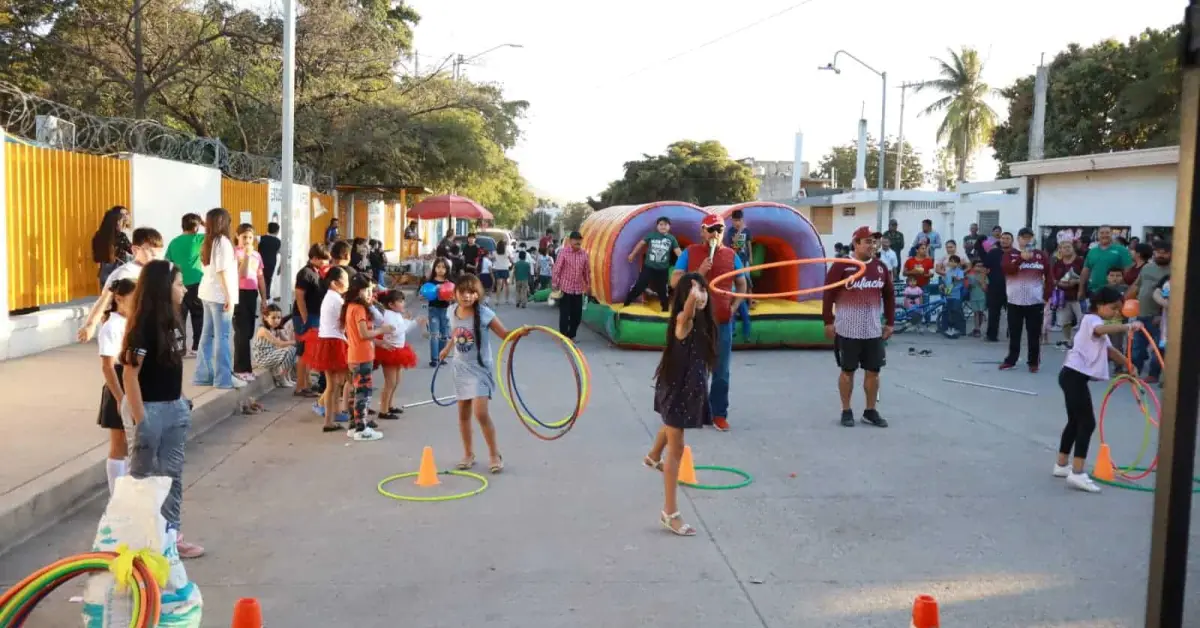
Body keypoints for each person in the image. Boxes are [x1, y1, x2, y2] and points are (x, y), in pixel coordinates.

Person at [120, 260, 205, 558]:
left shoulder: (175, 319)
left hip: (174, 408)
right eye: (179, 284)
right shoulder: (141, 326)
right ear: (162, 287)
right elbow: (129, 374)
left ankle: (170, 537)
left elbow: (174, 365)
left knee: (172, 475)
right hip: (149, 409)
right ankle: (137, 541)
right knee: (143, 477)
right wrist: (141, 418)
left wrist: (182, 400)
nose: (183, 289)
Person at [642, 272, 716, 537]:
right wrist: (691, 302)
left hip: (690, 389)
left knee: (673, 426)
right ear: (684, 298)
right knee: (677, 449)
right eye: (692, 290)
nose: (699, 293)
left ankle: (652, 456)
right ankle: (670, 513)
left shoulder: (706, 327)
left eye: (703, 289)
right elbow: (687, 315)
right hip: (675, 389)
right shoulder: (682, 322)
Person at [1055, 286, 1141, 493]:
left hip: (1072, 376)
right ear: (1100, 306)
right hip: (1073, 376)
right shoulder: (1090, 320)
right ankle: (1077, 473)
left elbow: (1109, 350)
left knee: (1075, 421)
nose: (1115, 313)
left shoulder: (1098, 323)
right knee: (1087, 422)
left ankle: (1061, 464)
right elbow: (1100, 331)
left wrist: (1130, 366)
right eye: (1113, 308)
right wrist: (1127, 327)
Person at [670, 214, 747, 432]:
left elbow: (742, 284)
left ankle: (719, 414)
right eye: (711, 229)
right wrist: (698, 272)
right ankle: (693, 410)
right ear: (702, 231)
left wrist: (733, 308)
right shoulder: (690, 253)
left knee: (721, 371)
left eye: (719, 229)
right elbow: (675, 281)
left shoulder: (732, 255)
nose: (715, 233)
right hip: (696, 321)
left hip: (722, 322)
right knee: (694, 369)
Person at [438, 274, 514, 474]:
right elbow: (457, 335)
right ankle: (468, 454)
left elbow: (505, 335)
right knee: (463, 413)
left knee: (480, 413)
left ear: (477, 294)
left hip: (480, 368)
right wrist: (447, 349)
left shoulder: (484, 313)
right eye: (463, 292)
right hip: (460, 368)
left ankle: (494, 455)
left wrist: (520, 333)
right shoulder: (451, 311)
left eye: (471, 292)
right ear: (455, 293)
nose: (467, 296)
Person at [823, 226, 894, 427]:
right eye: (868, 241)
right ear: (856, 243)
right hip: (847, 329)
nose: (872, 245)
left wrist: (889, 322)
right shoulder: (841, 267)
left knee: (874, 371)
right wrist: (827, 321)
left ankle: (870, 411)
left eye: (874, 242)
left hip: (873, 330)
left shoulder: (881, 267)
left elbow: (889, 295)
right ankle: (846, 410)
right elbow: (828, 294)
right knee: (848, 371)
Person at [78, 227, 165, 343]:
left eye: (158, 251)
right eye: (149, 250)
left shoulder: (156, 271)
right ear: (135, 250)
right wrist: (90, 324)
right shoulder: (126, 272)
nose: (155, 254)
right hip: (126, 330)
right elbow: (105, 299)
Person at [194, 208, 244, 389]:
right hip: (220, 295)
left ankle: (202, 375)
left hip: (207, 293)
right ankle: (223, 378)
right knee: (222, 337)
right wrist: (229, 297)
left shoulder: (208, 241)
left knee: (207, 336)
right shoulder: (222, 242)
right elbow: (222, 271)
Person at [299, 265, 352, 432]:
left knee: (333, 384)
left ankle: (330, 419)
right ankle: (333, 418)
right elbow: (345, 323)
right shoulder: (336, 299)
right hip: (334, 342)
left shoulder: (331, 297)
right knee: (338, 383)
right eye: (346, 281)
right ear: (335, 283)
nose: (348, 284)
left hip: (328, 340)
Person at [96, 278, 137, 495]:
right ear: (119, 299)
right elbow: (108, 367)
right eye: (134, 300)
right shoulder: (111, 326)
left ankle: (128, 491)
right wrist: (121, 398)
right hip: (118, 386)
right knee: (118, 444)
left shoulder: (130, 322)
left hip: (132, 384)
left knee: (132, 443)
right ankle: (116, 495)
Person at [341, 273, 391, 441]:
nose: (370, 293)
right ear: (357, 291)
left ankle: (354, 425)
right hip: (361, 356)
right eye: (366, 290)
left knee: (357, 391)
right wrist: (382, 331)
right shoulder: (359, 308)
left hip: (355, 354)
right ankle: (361, 428)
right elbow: (363, 333)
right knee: (363, 392)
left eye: (371, 290)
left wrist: (378, 342)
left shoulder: (350, 307)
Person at [1000, 228, 1053, 372]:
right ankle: (1011, 360)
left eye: (1029, 237)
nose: (1027, 240)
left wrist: (1047, 296)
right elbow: (1007, 270)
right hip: (1014, 301)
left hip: (1035, 302)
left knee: (1034, 334)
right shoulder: (1009, 254)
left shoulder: (1041, 255)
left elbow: (1049, 276)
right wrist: (1020, 259)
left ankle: (1033, 362)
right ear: (1018, 239)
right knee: (1014, 333)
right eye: (1024, 238)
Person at [1126, 241, 1171, 383]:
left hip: (1159, 317)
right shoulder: (1147, 268)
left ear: (1171, 253)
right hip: (1141, 313)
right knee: (1137, 346)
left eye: (1165, 252)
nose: (1161, 255)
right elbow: (1137, 285)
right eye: (1158, 252)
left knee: (1158, 348)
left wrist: (1161, 315)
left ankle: (1153, 374)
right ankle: (1134, 371)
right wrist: (1125, 300)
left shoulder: (1174, 271)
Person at [374, 290, 422, 418]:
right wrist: (412, 322)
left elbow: (402, 329)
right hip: (390, 350)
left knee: (396, 381)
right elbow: (396, 331)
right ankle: (383, 410)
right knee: (390, 382)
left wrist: (408, 321)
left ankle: (390, 405)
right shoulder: (389, 315)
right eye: (400, 301)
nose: (403, 303)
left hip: (398, 349)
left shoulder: (396, 314)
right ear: (391, 304)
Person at [291, 244, 331, 397]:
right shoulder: (305, 273)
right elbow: (299, 297)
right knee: (303, 351)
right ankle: (300, 386)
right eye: (322, 260)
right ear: (314, 258)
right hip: (305, 316)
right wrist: (305, 317)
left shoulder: (317, 273)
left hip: (314, 315)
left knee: (310, 351)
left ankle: (306, 383)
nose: (325, 263)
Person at [165, 214, 205, 355]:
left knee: (179, 317)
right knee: (198, 315)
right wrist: (205, 224)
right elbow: (217, 236)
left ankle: (180, 347)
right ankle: (196, 346)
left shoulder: (174, 242)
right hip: (195, 283)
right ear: (196, 227)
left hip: (178, 284)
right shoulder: (199, 239)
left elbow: (167, 261)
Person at [624, 216, 681, 311]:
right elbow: (641, 244)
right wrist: (633, 254)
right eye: (661, 224)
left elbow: (678, 252)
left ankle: (665, 310)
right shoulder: (651, 235)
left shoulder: (671, 239)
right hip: (648, 268)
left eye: (665, 224)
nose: (663, 226)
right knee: (639, 286)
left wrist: (685, 263)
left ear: (669, 227)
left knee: (663, 291)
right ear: (657, 226)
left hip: (662, 270)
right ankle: (626, 303)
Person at [233, 224, 267, 382]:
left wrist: (264, 299)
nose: (247, 240)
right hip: (238, 293)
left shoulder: (257, 255)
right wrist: (246, 256)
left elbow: (260, 277)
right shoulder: (235, 253)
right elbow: (242, 274)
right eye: (244, 237)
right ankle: (240, 369)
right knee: (241, 331)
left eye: (250, 237)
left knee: (248, 332)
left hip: (252, 294)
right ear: (237, 236)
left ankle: (246, 368)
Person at [552, 231, 591, 341]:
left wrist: (588, 285)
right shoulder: (563, 252)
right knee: (565, 314)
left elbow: (586, 271)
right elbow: (557, 269)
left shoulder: (584, 254)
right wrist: (555, 283)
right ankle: (564, 336)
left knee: (577, 315)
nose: (578, 242)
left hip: (578, 289)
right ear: (570, 241)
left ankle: (571, 334)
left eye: (580, 240)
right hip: (565, 288)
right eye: (576, 240)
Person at [1079, 225, 1132, 298]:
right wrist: (1081, 290)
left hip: (1114, 292)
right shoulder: (1092, 251)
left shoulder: (1122, 250)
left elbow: (1128, 270)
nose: (1104, 235)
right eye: (1102, 233)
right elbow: (1085, 271)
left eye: (1107, 233)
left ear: (1111, 234)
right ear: (1097, 235)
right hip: (1094, 291)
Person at [253, 304, 298, 388]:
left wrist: (293, 341)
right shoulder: (263, 330)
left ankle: (286, 376)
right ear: (265, 317)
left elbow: (286, 341)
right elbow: (279, 343)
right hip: (263, 358)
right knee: (290, 349)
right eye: (273, 318)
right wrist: (295, 342)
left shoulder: (276, 329)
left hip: (272, 355)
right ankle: (281, 377)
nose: (277, 320)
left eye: (279, 318)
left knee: (294, 349)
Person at [1051, 237, 1084, 347]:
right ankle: (1067, 340)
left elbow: (1087, 277)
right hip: (1063, 297)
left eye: (1069, 247)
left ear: (1073, 248)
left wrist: (1077, 281)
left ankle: (1082, 342)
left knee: (1083, 321)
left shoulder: (1080, 261)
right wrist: (1060, 283)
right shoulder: (1058, 263)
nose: (1067, 249)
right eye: (1064, 247)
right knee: (1065, 321)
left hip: (1079, 296)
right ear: (1060, 250)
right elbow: (1053, 279)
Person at [92, 205, 133, 289]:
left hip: (104, 271)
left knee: (106, 299)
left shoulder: (99, 235)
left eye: (127, 214)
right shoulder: (121, 236)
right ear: (117, 221)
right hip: (119, 270)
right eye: (122, 217)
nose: (125, 218)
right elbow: (132, 250)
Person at [984, 232, 1013, 342]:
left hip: (1012, 287)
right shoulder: (993, 252)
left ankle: (1012, 333)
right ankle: (991, 335)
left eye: (1007, 238)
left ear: (1012, 240)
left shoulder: (1016, 254)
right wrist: (983, 283)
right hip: (994, 287)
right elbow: (985, 269)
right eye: (1003, 238)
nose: (1005, 240)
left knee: (1013, 313)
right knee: (993, 312)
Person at [424, 258, 453, 367]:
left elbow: (453, 297)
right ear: (434, 268)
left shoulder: (449, 282)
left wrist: (448, 295)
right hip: (433, 310)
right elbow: (423, 295)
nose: (440, 270)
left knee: (444, 335)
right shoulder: (430, 282)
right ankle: (434, 359)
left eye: (443, 267)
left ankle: (441, 356)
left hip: (446, 310)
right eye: (438, 267)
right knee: (434, 335)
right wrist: (434, 290)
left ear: (447, 269)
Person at [258, 222, 282, 299]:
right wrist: (280, 266)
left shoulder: (261, 238)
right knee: (268, 279)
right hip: (271, 263)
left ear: (267, 229)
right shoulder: (278, 241)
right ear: (277, 231)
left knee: (260, 278)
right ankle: (267, 295)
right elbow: (281, 253)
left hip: (260, 262)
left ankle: (262, 295)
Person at [967, 260, 988, 336]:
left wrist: (980, 280)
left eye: (981, 266)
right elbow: (968, 287)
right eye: (977, 266)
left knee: (980, 313)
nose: (979, 268)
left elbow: (985, 288)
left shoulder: (984, 276)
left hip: (982, 297)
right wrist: (969, 285)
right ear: (973, 267)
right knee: (976, 313)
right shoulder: (970, 276)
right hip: (973, 297)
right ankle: (977, 329)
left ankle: (978, 328)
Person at [492, 240, 514, 304]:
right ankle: (506, 300)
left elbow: (492, 259)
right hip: (505, 269)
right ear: (504, 246)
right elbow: (511, 260)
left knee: (498, 285)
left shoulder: (495, 252)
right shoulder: (507, 252)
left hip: (497, 269)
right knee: (507, 285)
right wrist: (512, 264)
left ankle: (497, 300)